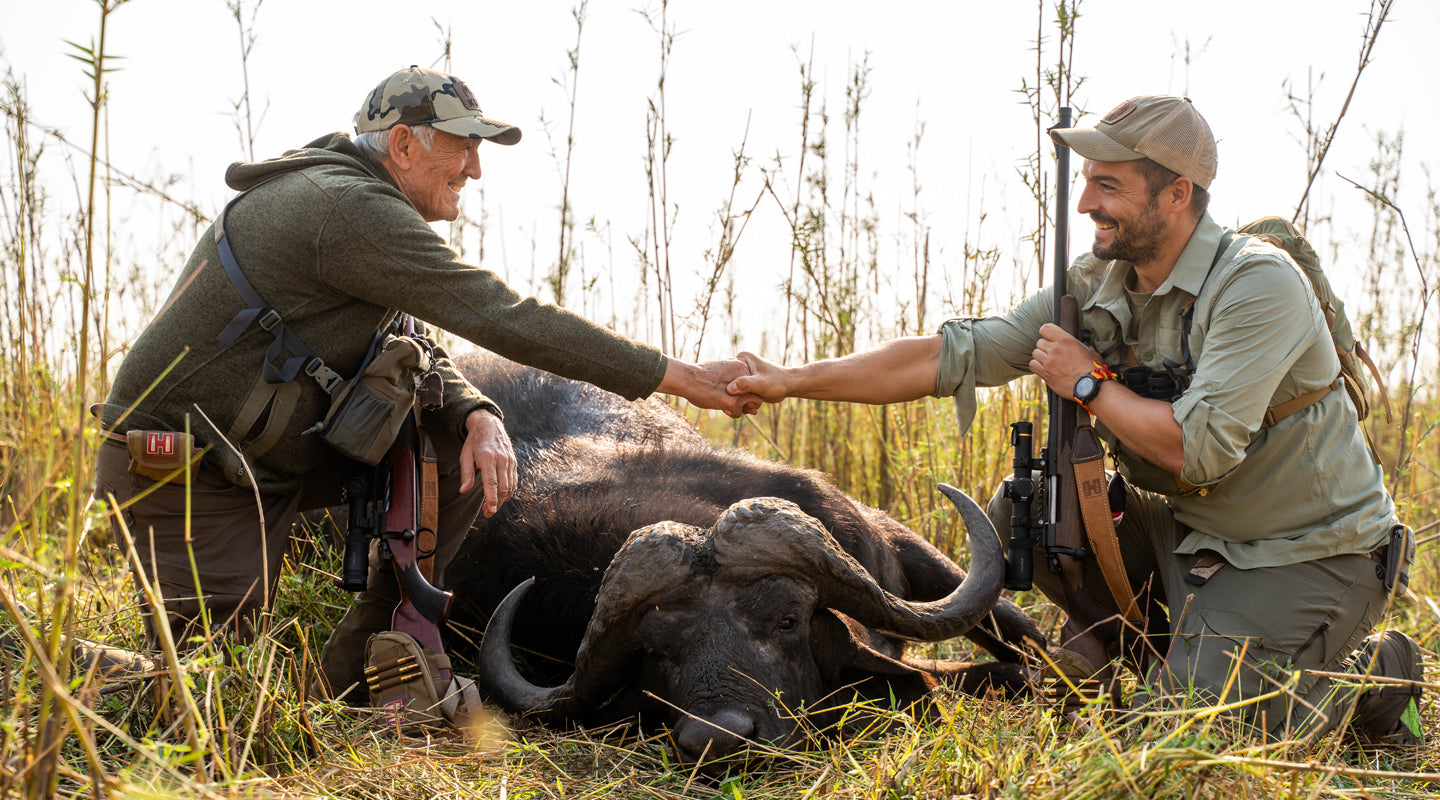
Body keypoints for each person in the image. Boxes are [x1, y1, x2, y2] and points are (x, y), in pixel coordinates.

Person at [729, 95, 1423, 743]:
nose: (1087, 202)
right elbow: (954, 355)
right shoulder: (1097, 283)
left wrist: (1087, 381)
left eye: (1109, 186)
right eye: (1086, 181)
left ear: (1177, 194)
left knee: (1179, 739)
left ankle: (1371, 674)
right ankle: (1160, 650)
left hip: (1308, 553)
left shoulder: (1258, 284)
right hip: (1193, 537)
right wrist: (790, 381)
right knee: (1029, 509)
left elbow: (1196, 451)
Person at [91, 66, 758, 723]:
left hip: (266, 464)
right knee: (219, 703)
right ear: (404, 145)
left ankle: (375, 656)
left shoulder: (355, 200)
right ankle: (81, 673)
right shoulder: (348, 209)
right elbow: (503, 314)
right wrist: (678, 377)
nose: (474, 169)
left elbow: (414, 339)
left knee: (453, 444)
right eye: (462, 147)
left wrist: (478, 412)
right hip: (185, 472)